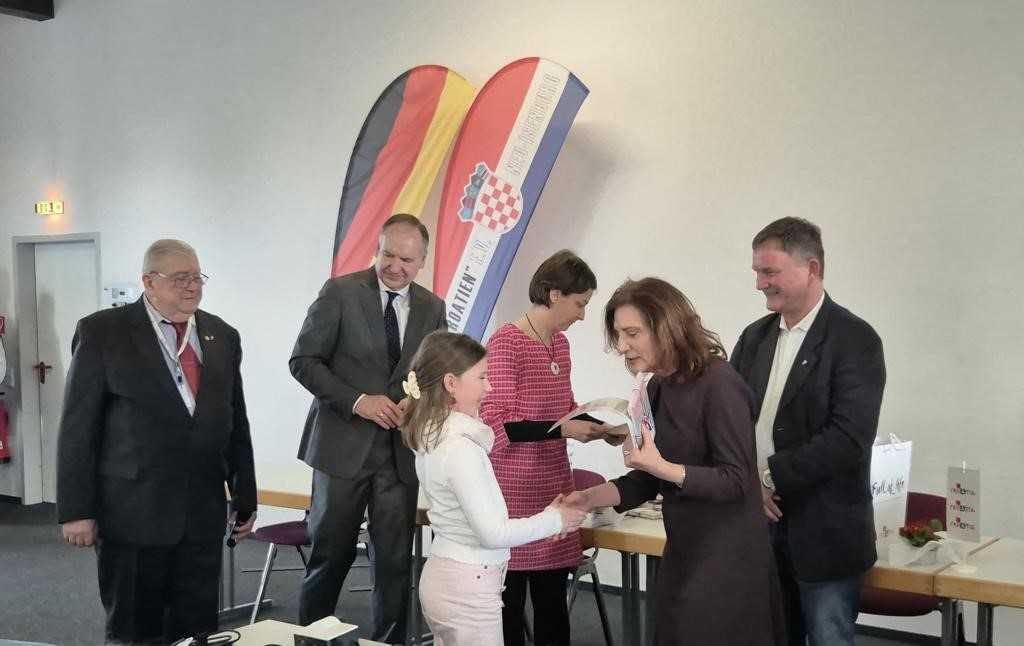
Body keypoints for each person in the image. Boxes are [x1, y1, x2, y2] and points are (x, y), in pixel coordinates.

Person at [57, 239, 257, 645]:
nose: (192, 287)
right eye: (180, 278)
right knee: (136, 631)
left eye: (197, 277)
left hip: (201, 515)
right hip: (132, 516)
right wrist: (76, 510)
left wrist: (245, 495)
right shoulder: (102, 332)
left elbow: (235, 422)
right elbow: (78, 428)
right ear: (148, 281)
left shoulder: (222, 335)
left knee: (196, 629)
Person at [565, 277, 785, 646]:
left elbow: (736, 480)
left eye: (632, 333)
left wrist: (660, 467)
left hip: (728, 559)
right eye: (618, 335)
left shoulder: (719, 383)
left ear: (665, 327)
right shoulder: (657, 386)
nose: (622, 346)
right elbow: (646, 480)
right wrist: (587, 498)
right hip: (685, 550)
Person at [291, 213, 447, 642]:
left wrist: (416, 403)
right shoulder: (340, 292)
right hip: (341, 449)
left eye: (407, 260)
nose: (395, 267)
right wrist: (359, 401)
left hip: (399, 454)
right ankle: (312, 641)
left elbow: (435, 375)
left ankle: (389, 642)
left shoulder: (433, 307)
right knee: (330, 557)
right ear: (376, 250)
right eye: (388, 255)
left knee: (395, 564)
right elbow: (303, 362)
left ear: (422, 261)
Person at [730, 217, 885, 646]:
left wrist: (769, 477)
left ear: (811, 268)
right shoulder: (754, 338)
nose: (760, 284)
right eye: (757, 272)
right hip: (759, 528)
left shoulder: (856, 340)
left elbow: (848, 438)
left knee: (828, 637)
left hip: (826, 534)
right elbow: (730, 419)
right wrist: (747, 481)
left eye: (770, 272)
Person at [400, 331, 586, 646]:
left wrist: (550, 517)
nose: (490, 387)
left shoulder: (436, 435)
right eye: (482, 377)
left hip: (451, 578)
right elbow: (493, 534)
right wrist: (556, 519)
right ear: (451, 383)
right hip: (467, 587)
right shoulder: (460, 448)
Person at [479, 249, 608, 646]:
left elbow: (564, 408)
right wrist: (565, 429)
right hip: (513, 492)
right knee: (510, 604)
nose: (582, 315)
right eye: (580, 304)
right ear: (554, 295)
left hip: (553, 486)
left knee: (552, 602)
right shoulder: (506, 343)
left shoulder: (560, 345)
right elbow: (499, 422)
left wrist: (602, 426)